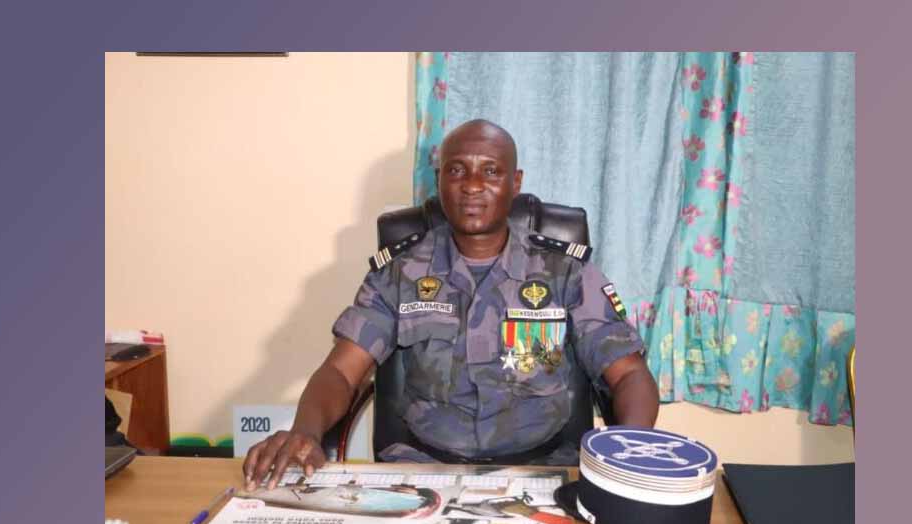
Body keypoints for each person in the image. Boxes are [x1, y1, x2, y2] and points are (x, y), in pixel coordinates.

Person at [244, 119, 659, 490]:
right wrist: (305, 431)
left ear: (515, 183)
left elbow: (629, 374)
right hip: (423, 470)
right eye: (457, 170)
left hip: (546, 470)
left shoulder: (566, 274)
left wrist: (629, 451)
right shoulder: (400, 274)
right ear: (439, 180)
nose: (472, 185)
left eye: (491, 171)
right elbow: (340, 371)